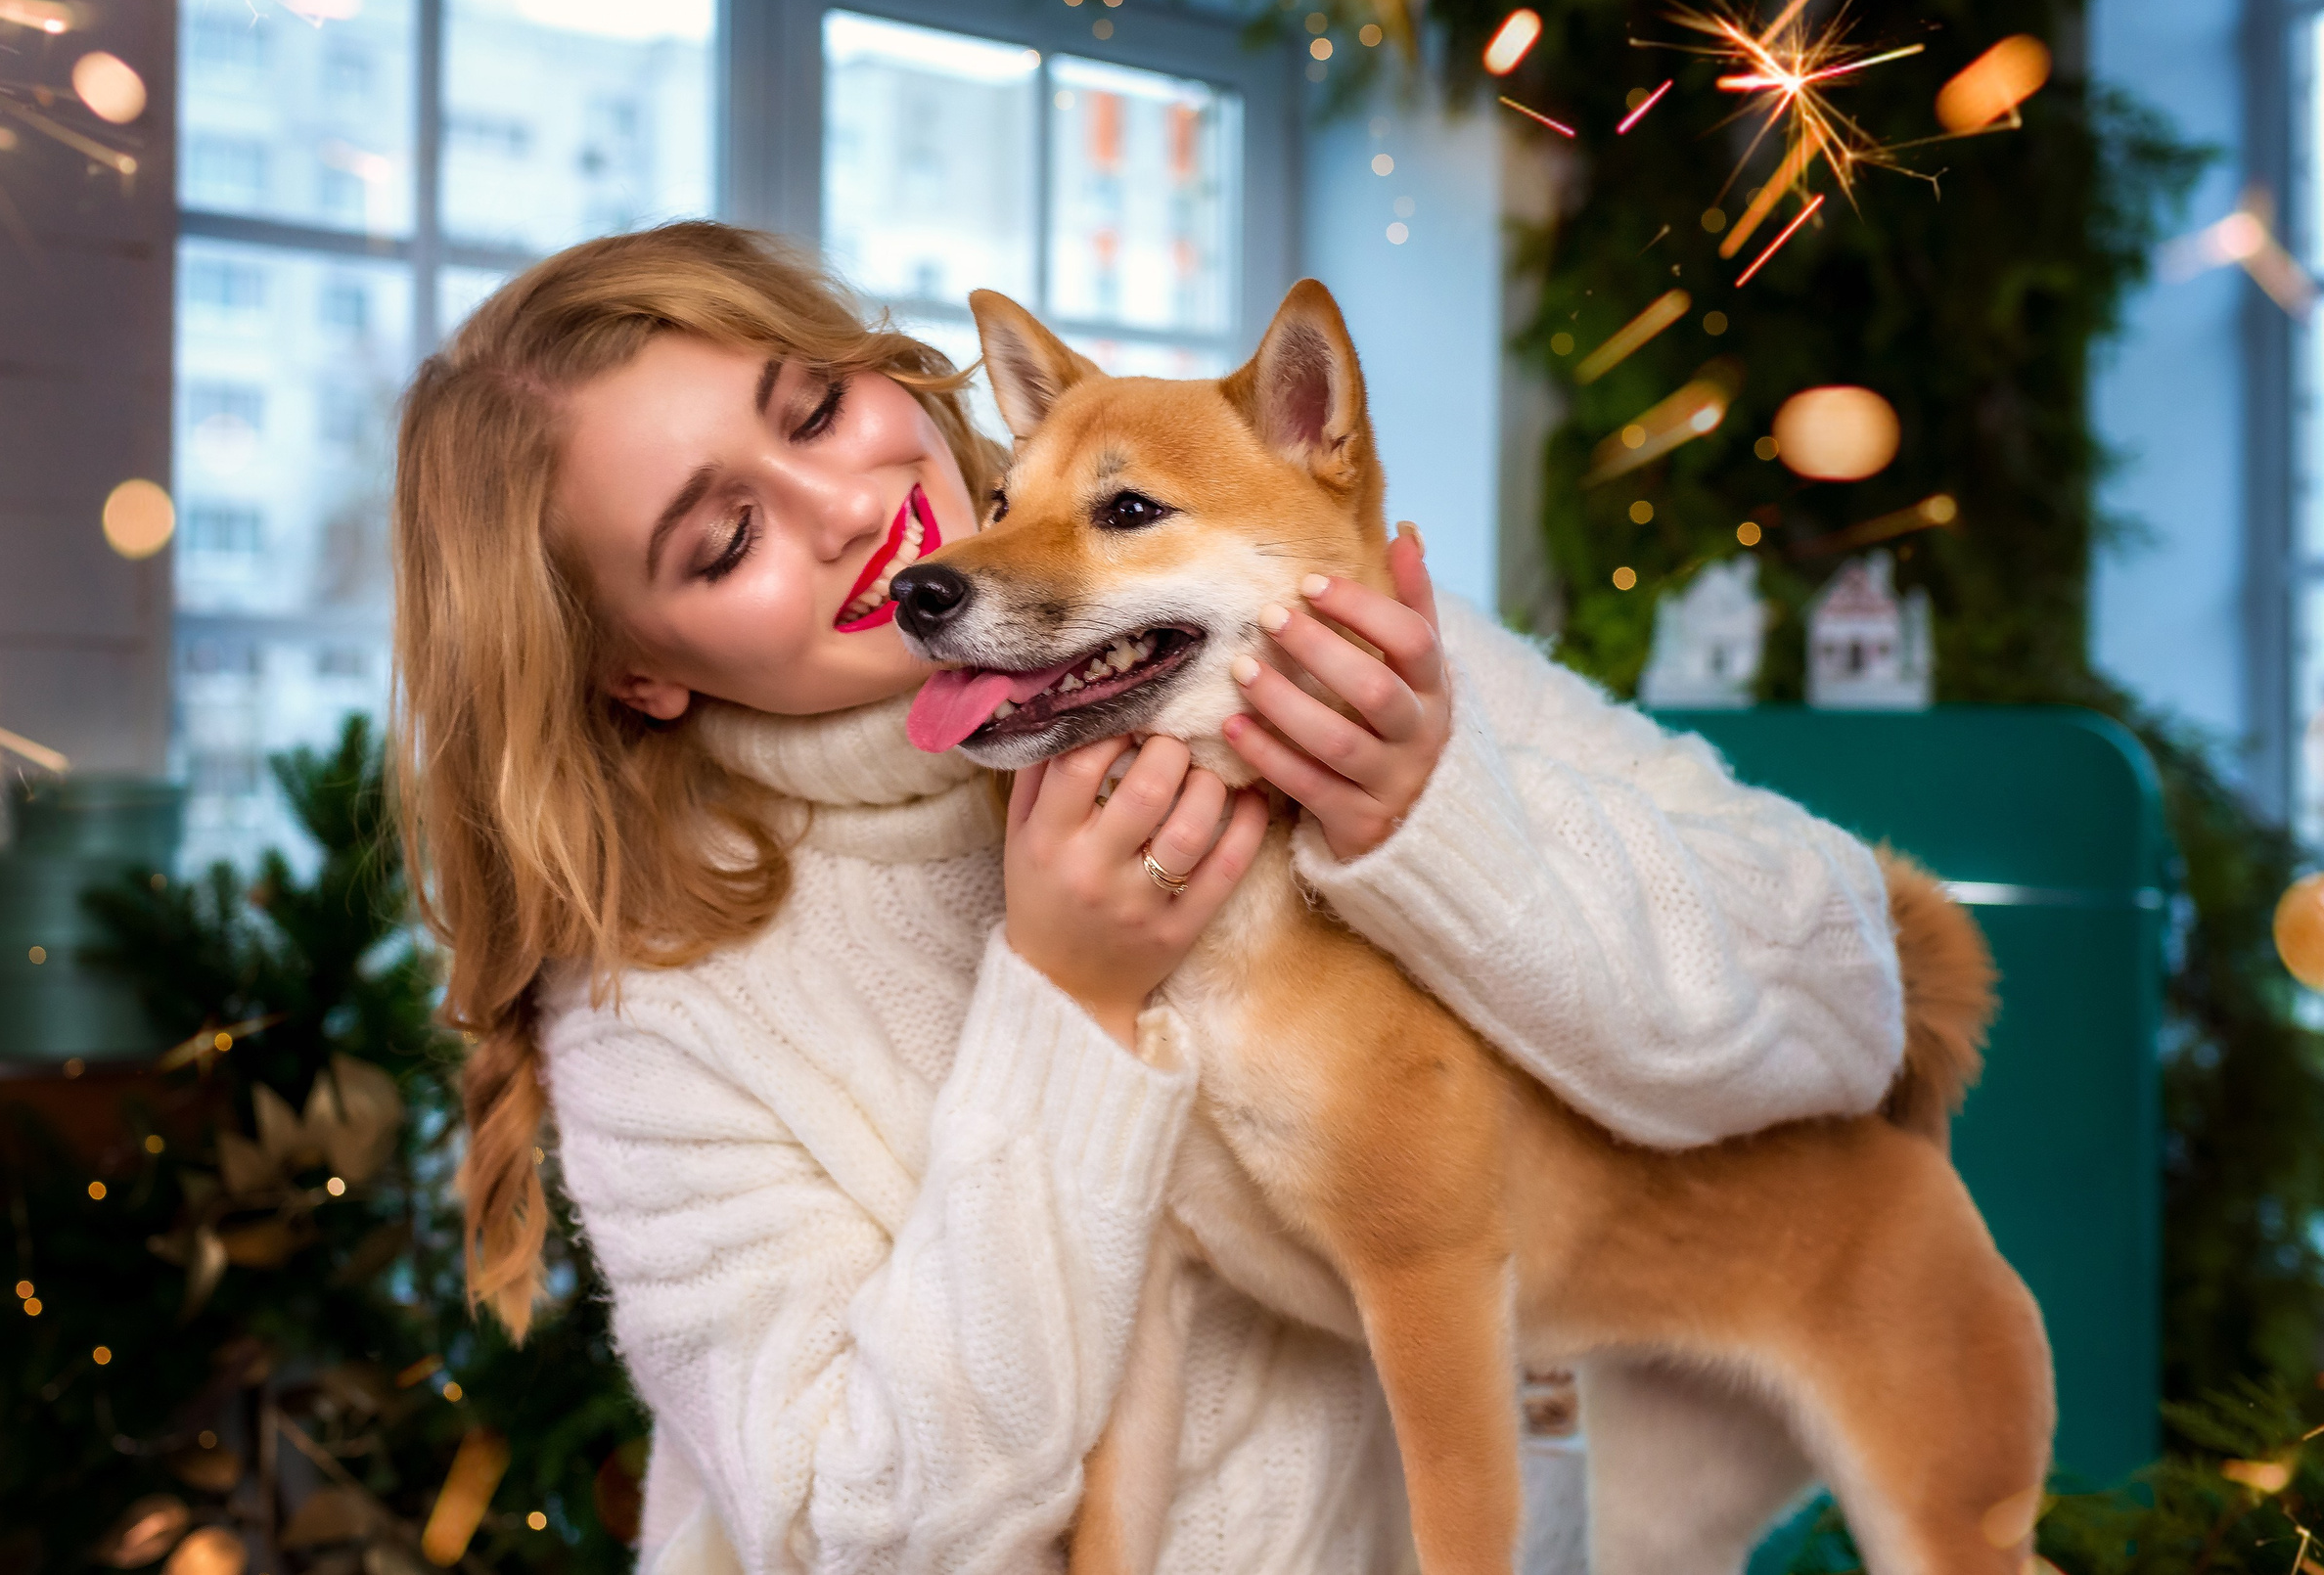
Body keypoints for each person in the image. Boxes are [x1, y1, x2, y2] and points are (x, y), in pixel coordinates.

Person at [391, 221, 1905, 1573]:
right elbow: (861, 1533)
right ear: (637, 670)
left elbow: (1847, 1000)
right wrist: (1063, 1008)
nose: (844, 507)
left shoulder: (1317, 640)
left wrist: (1441, 822)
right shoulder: (654, 1007)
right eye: (725, 541)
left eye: (818, 410)